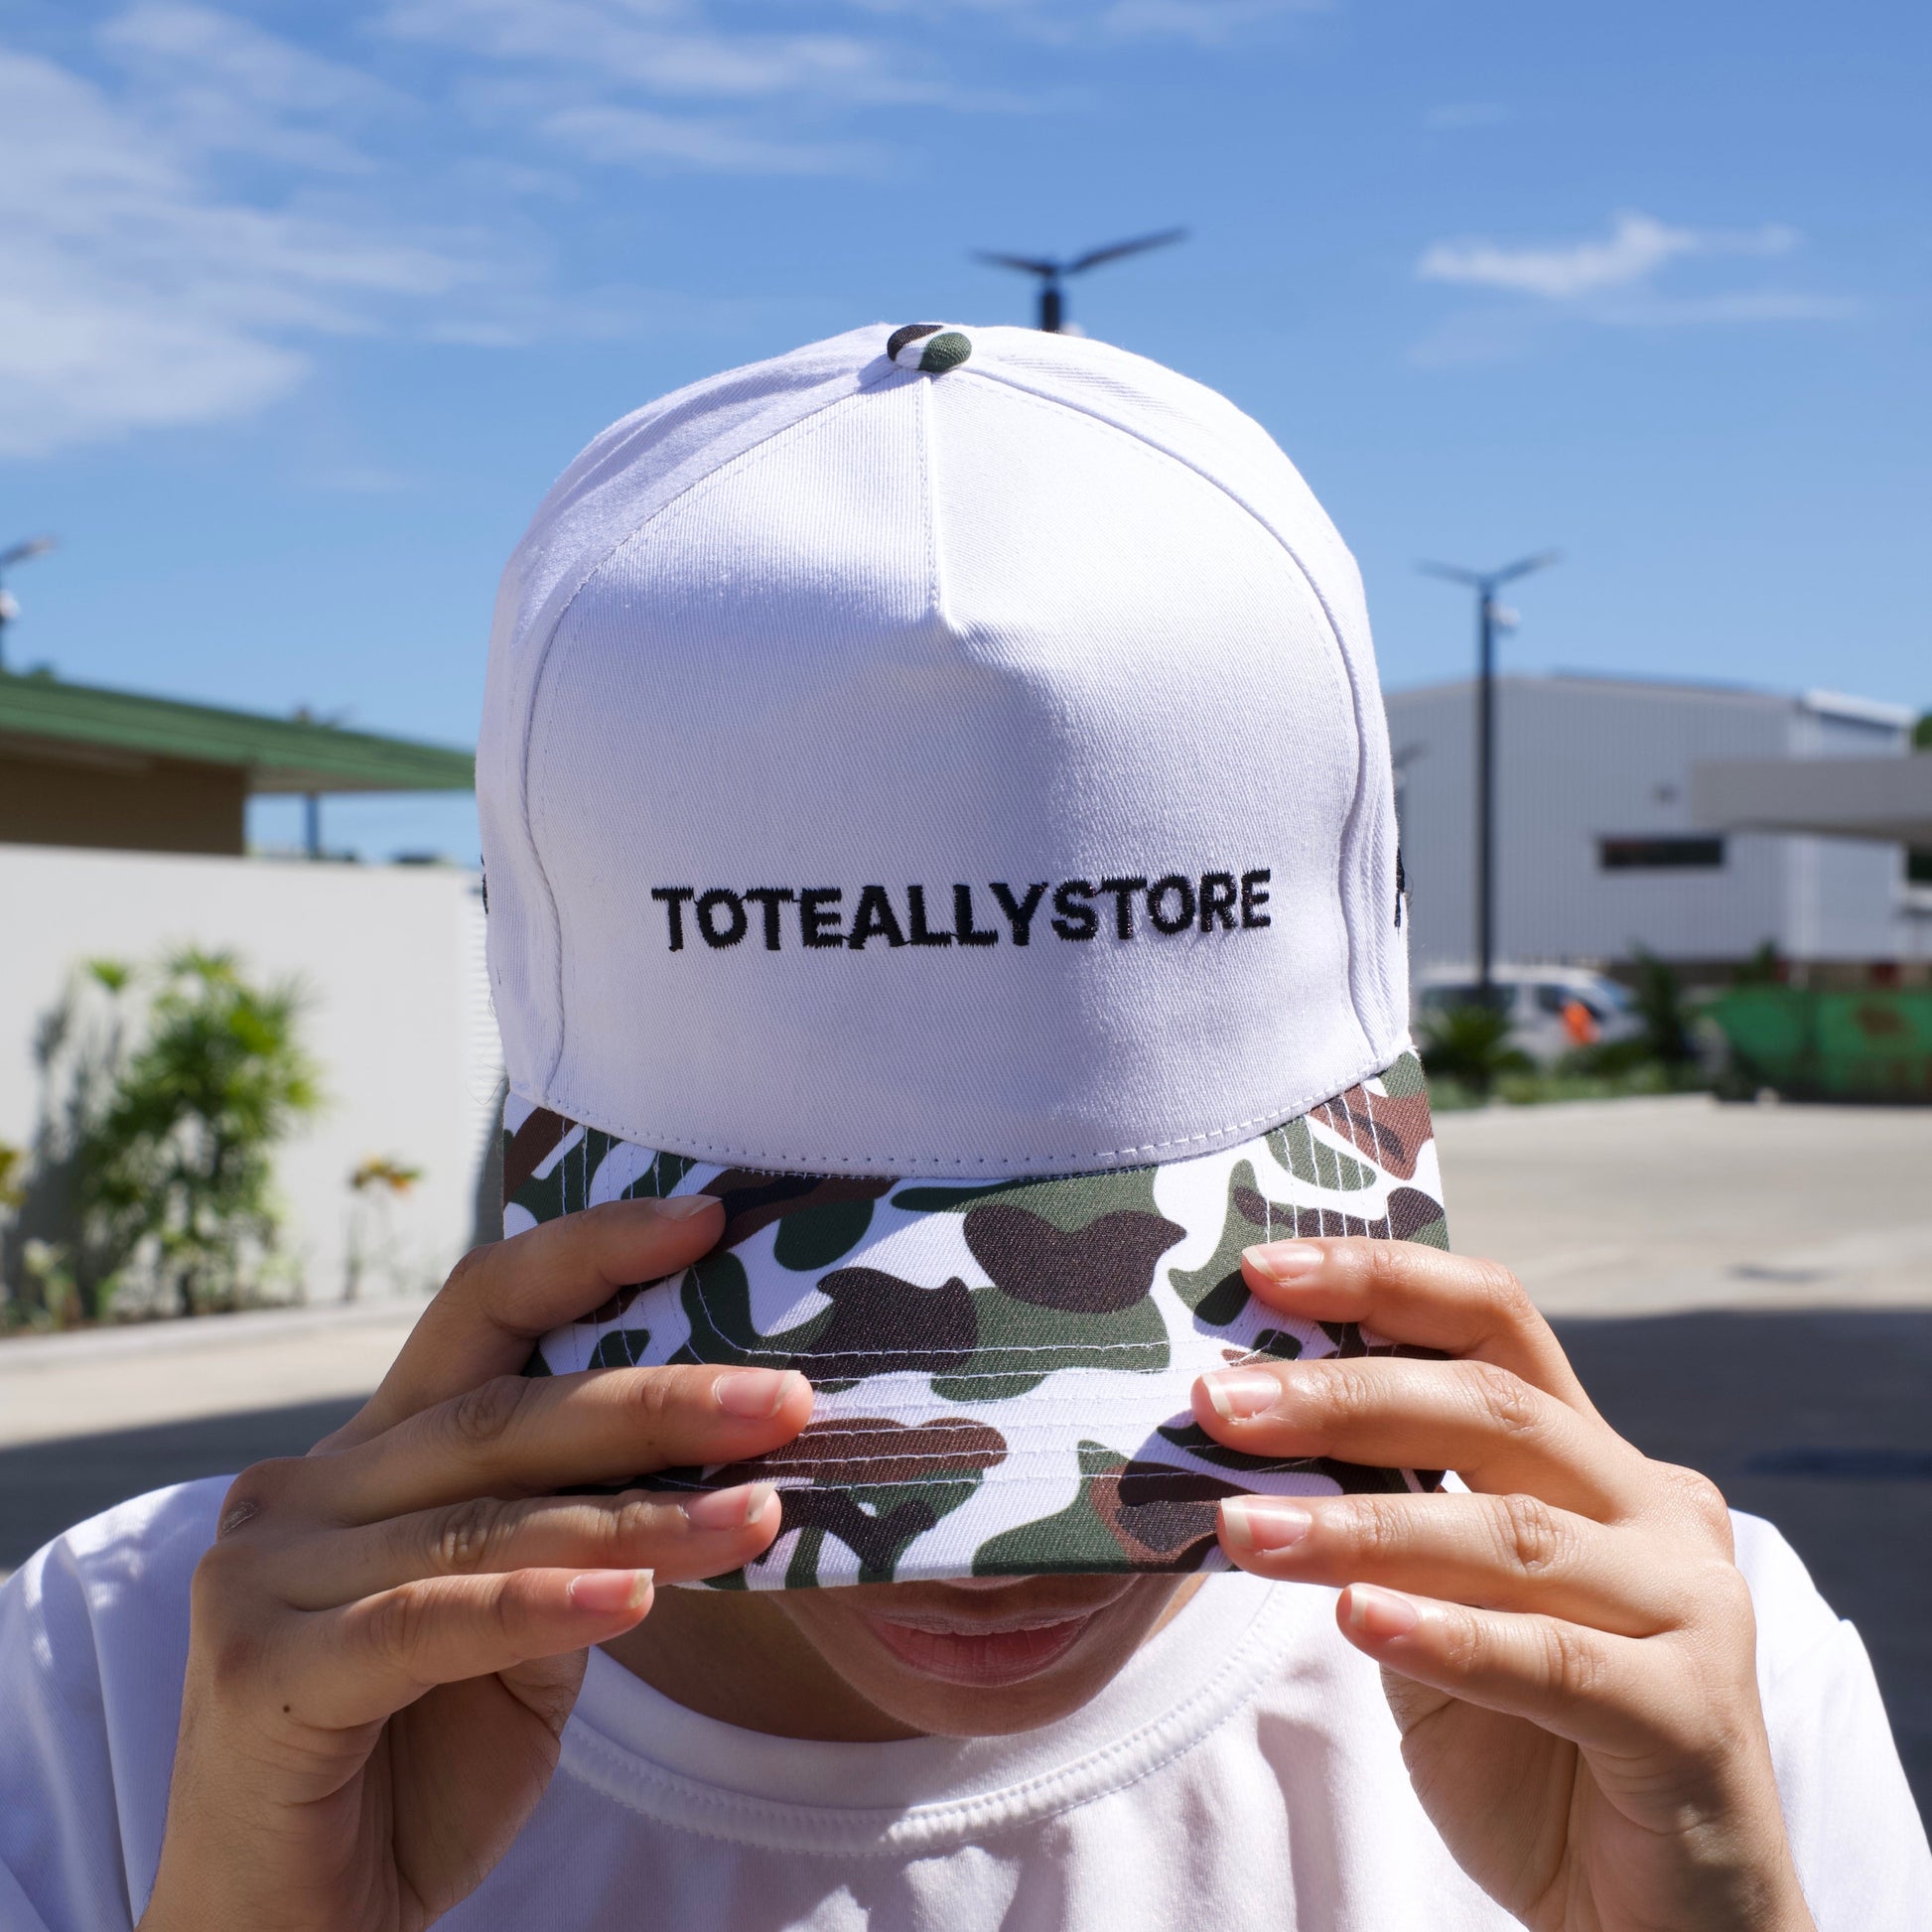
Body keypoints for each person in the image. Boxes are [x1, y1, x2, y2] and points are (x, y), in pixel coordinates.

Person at [1, 325, 1925, 1932]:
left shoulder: (1684, 1679)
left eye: (1133, 1368)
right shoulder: (138, 1688)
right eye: (830, 1359)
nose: (996, 1550)